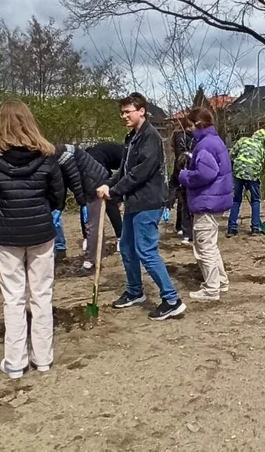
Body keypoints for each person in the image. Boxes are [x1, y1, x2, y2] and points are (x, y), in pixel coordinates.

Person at [0, 100, 65, 379]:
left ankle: (15, 362)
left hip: (6, 233)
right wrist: (46, 211)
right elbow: (58, 194)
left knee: (13, 298)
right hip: (40, 231)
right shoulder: (48, 156)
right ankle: (43, 358)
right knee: (42, 295)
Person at [97, 93, 186, 320]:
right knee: (127, 247)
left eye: (128, 112)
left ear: (142, 111)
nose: (124, 116)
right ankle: (135, 291)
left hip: (148, 202)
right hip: (134, 202)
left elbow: (140, 173)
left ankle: (172, 299)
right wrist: (108, 184)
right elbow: (125, 171)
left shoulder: (150, 138)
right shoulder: (133, 138)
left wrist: (115, 192)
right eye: (122, 112)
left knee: (146, 251)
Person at [178, 107, 234, 300]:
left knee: (204, 247)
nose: (189, 130)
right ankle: (221, 281)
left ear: (198, 125)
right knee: (211, 245)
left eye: (190, 126)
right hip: (215, 200)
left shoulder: (205, 145)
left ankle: (211, 289)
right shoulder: (215, 141)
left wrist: (185, 176)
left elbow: (206, 173)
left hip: (206, 202)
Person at [57, 142, 111, 277]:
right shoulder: (58, 153)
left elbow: (74, 180)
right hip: (91, 181)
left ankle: (90, 263)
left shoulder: (64, 156)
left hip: (95, 184)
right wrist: (59, 206)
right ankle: (97, 254)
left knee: (92, 225)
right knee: (94, 223)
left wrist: (81, 203)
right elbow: (61, 184)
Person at [227, 128, 265, 237]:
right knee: (255, 200)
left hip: (238, 172)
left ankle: (231, 228)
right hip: (253, 174)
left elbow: (231, 154)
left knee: (236, 200)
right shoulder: (262, 149)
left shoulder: (243, 140)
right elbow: (260, 164)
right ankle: (255, 228)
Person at [85, 142, 125, 239]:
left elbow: (107, 176)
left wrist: (118, 199)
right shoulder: (91, 158)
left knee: (109, 201)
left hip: (126, 159)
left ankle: (121, 236)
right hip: (116, 161)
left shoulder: (94, 158)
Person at [169, 116, 196, 243]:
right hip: (183, 169)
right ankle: (184, 229)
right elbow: (181, 155)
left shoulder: (186, 136)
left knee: (182, 199)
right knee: (184, 200)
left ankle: (181, 226)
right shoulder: (183, 136)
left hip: (181, 169)